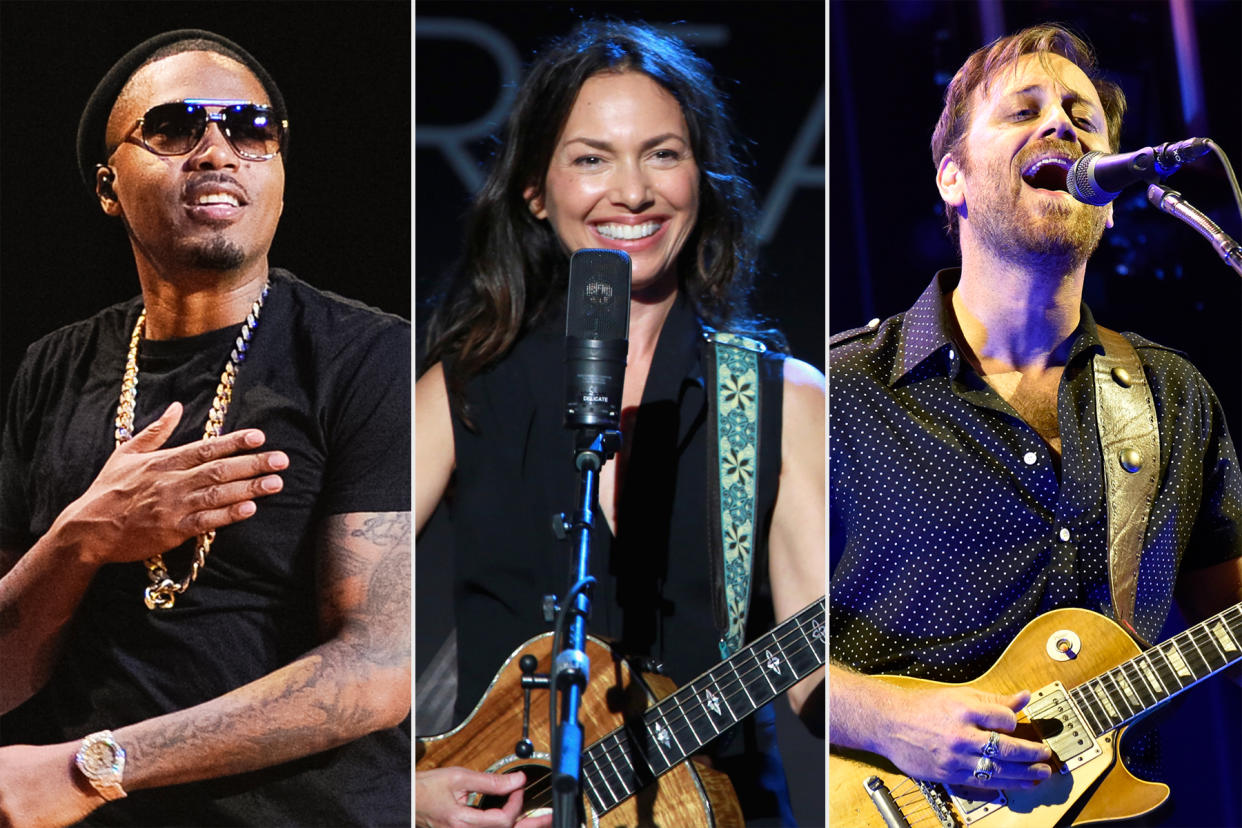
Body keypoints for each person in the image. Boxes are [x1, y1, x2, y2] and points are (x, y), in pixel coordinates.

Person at [415, 20, 825, 828]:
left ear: (700, 177)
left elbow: (817, 673)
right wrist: (405, 791)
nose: (631, 192)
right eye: (591, 158)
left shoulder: (780, 398)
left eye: (663, 154)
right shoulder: (463, 391)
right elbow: (342, 626)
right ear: (536, 189)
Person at [0, 29, 411, 826]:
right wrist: (82, 538)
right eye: (175, 128)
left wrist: (96, 767)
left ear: (282, 176)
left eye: (251, 129)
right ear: (108, 184)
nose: (218, 151)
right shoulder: (50, 369)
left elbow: (379, 667)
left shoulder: (369, 358)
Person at [829, 20, 1241, 809]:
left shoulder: (1173, 396)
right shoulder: (846, 391)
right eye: (1023, 111)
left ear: (1109, 201)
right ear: (952, 179)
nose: (1061, 125)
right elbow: (741, 648)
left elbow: (1229, 615)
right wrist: (889, 718)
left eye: (1083, 118)